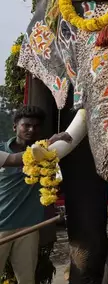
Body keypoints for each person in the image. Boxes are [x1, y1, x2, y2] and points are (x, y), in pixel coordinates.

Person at [0, 106, 70, 283]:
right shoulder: (2, 151)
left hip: (29, 228)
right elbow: (16, 160)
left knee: (27, 279)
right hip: (1, 226)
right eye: (26, 125)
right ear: (15, 126)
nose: (32, 129)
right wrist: (49, 143)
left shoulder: (49, 156)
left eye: (36, 126)